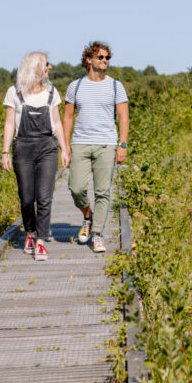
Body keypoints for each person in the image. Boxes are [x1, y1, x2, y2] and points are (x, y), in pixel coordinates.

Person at [1, 52, 71, 262]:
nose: (49, 68)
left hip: (47, 147)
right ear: (35, 68)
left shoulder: (51, 92)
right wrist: (5, 152)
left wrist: (64, 149)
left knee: (44, 197)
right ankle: (29, 233)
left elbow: (57, 123)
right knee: (26, 197)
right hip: (23, 147)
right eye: (46, 64)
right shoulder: (14, 92)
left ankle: (40, 241)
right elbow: (9, 124)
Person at [63, 41, 129, 253]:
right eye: (101, 57)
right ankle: (87, 216)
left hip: (106, 144)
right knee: (76, 187)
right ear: (88, 60)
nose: (105, 61)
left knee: (103, 192)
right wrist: (65, 145)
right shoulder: (76, 86)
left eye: (107, 58)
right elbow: (67, 118)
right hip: (80, 143)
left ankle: (97, 234)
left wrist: (122, 145)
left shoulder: (116, 86)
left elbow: (124, 117)